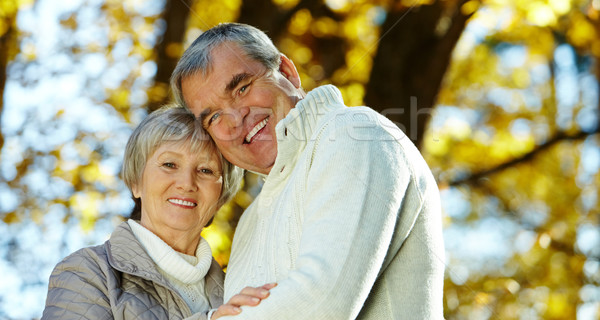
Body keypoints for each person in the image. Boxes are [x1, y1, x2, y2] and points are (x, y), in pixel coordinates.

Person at [170, 23, 445, 319]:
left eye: (242, 88)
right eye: (214, 117)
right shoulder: (252, 220)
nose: (236, 119)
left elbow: (322, 305)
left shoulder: (353, 134)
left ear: (287, 72)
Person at [42, 105, 274, 320]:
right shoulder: (88, 272)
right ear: (136, 182)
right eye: (169, 165)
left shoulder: (239, 287)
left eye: (205, 170)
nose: (186, 183)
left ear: (220, 198)